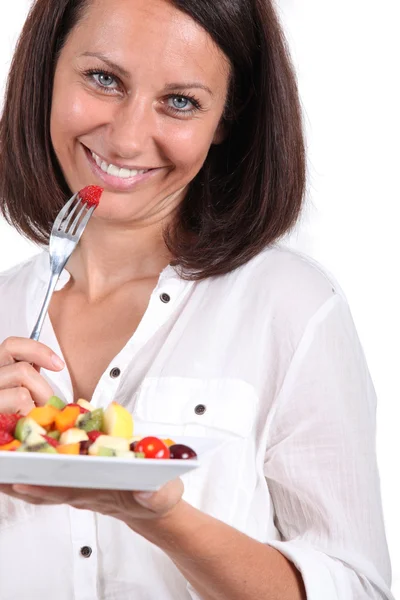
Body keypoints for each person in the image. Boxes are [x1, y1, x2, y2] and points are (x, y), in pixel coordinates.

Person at [0, 0, 393, 598]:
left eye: (180, 101)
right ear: (45, 73)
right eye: (104, 79)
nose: (128, 138)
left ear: (226, 120)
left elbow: (355, 588)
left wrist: (162, 517)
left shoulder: (289, 308)